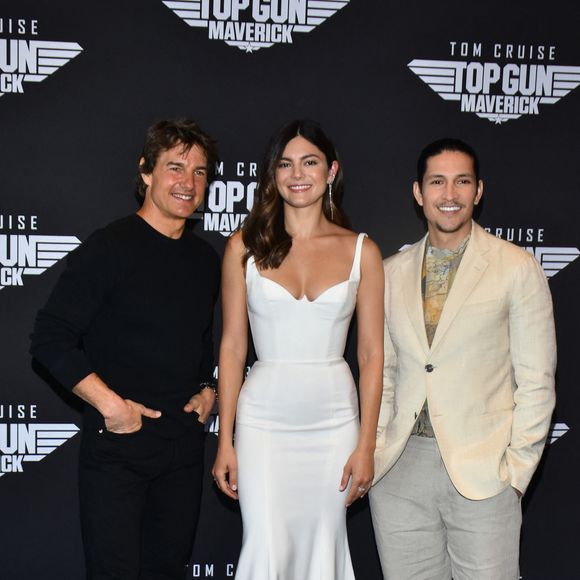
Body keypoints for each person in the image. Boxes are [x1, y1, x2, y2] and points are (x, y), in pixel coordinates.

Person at [30, 119, 221, 580]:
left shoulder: (204, 259)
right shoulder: (109, 247)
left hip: (182, 449)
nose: (188, 182)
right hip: (118, 448)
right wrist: (112, 408)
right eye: (175, 167)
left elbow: (198, 342)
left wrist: (209, 388)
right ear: (146, 172)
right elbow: (50, 338)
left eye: (199, 172)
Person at [370, 138, 557, 580]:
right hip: (399, 472)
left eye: (461, 182)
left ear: (478, 191)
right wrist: (377, 451)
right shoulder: (390, 272)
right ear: (419, 193)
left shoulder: (516, 267)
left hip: (483, 472)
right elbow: (385, 371)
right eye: (437, 182)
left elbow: (536, 380)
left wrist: (514, 473)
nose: (449, 194)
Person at [212, 119, 383, 580]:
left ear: (331, 171)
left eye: (309, 162)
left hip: (333, 424)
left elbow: (370, 355)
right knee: (265, 548)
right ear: (273, 175)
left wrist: (367, 443)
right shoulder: (243, 248)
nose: (297, 174)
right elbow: (231, 347)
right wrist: (224, 439)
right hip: (263, 423)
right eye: (285, 164)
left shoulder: (361, 251)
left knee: (324, 547)